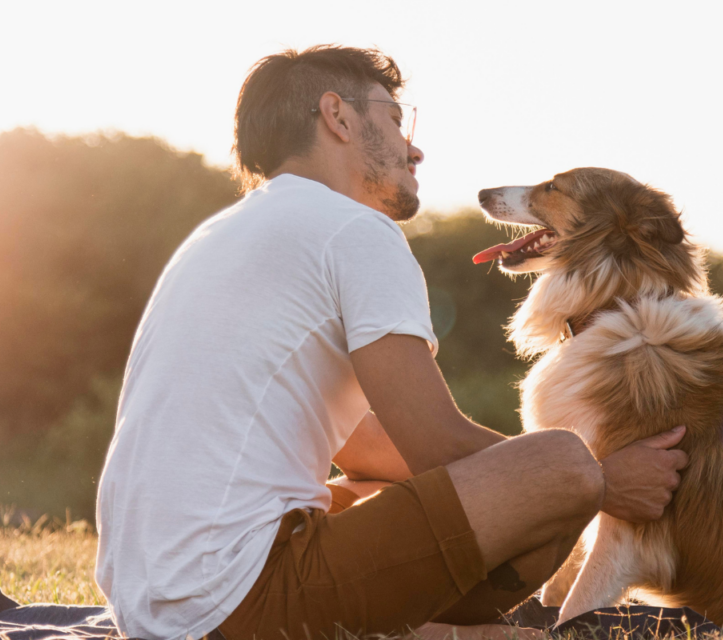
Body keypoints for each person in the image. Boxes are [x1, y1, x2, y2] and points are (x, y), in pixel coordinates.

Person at [94, 44, 689, 640]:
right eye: (396, 120)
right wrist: (602, 481)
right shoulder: (355, 230)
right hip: (234, 604)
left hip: (152, 603)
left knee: (374, 492)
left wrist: (512, 482)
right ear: (339, 117)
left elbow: (361, 447)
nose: (414, 149)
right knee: (561, 461)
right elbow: (436, 444)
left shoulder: (221, 234)